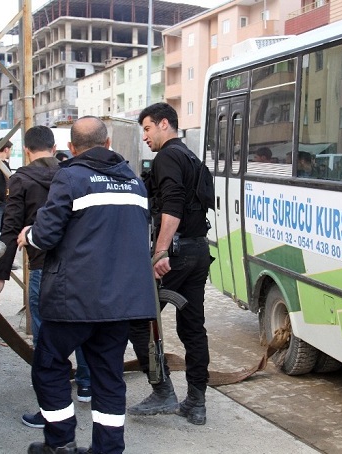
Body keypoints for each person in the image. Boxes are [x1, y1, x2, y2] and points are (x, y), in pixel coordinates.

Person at [16, 116, 156, 454]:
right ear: (108, 144)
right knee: (108, 377)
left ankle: (60, 442)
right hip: (120, 304)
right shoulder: (135, 183)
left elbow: (46, 235)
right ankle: (108, 449)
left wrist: (28, 234)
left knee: (49, 366)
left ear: (71, 148)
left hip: (74, 300)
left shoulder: (70, 177)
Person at [0, 125, 92, 432]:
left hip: (43, 267)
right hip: (78, 267)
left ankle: (53, 400)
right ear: (55, 147)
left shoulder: (20, 179)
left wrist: (0, 275)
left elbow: (10, 228)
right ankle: (86, 384)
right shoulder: (72, 174)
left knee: (46, 336)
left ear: (26, 150)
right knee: (82, 325)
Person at [127, 102, 212, 426]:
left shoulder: (167, 157)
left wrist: (160, 251)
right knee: (192, 327)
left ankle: (162, 390)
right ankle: (196, 403)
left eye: (147, 128)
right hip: (198, 251)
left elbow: (172, 205)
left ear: (164, 124)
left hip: (175, 255)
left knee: (139, 321)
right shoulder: (191, 156)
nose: (145, 136)